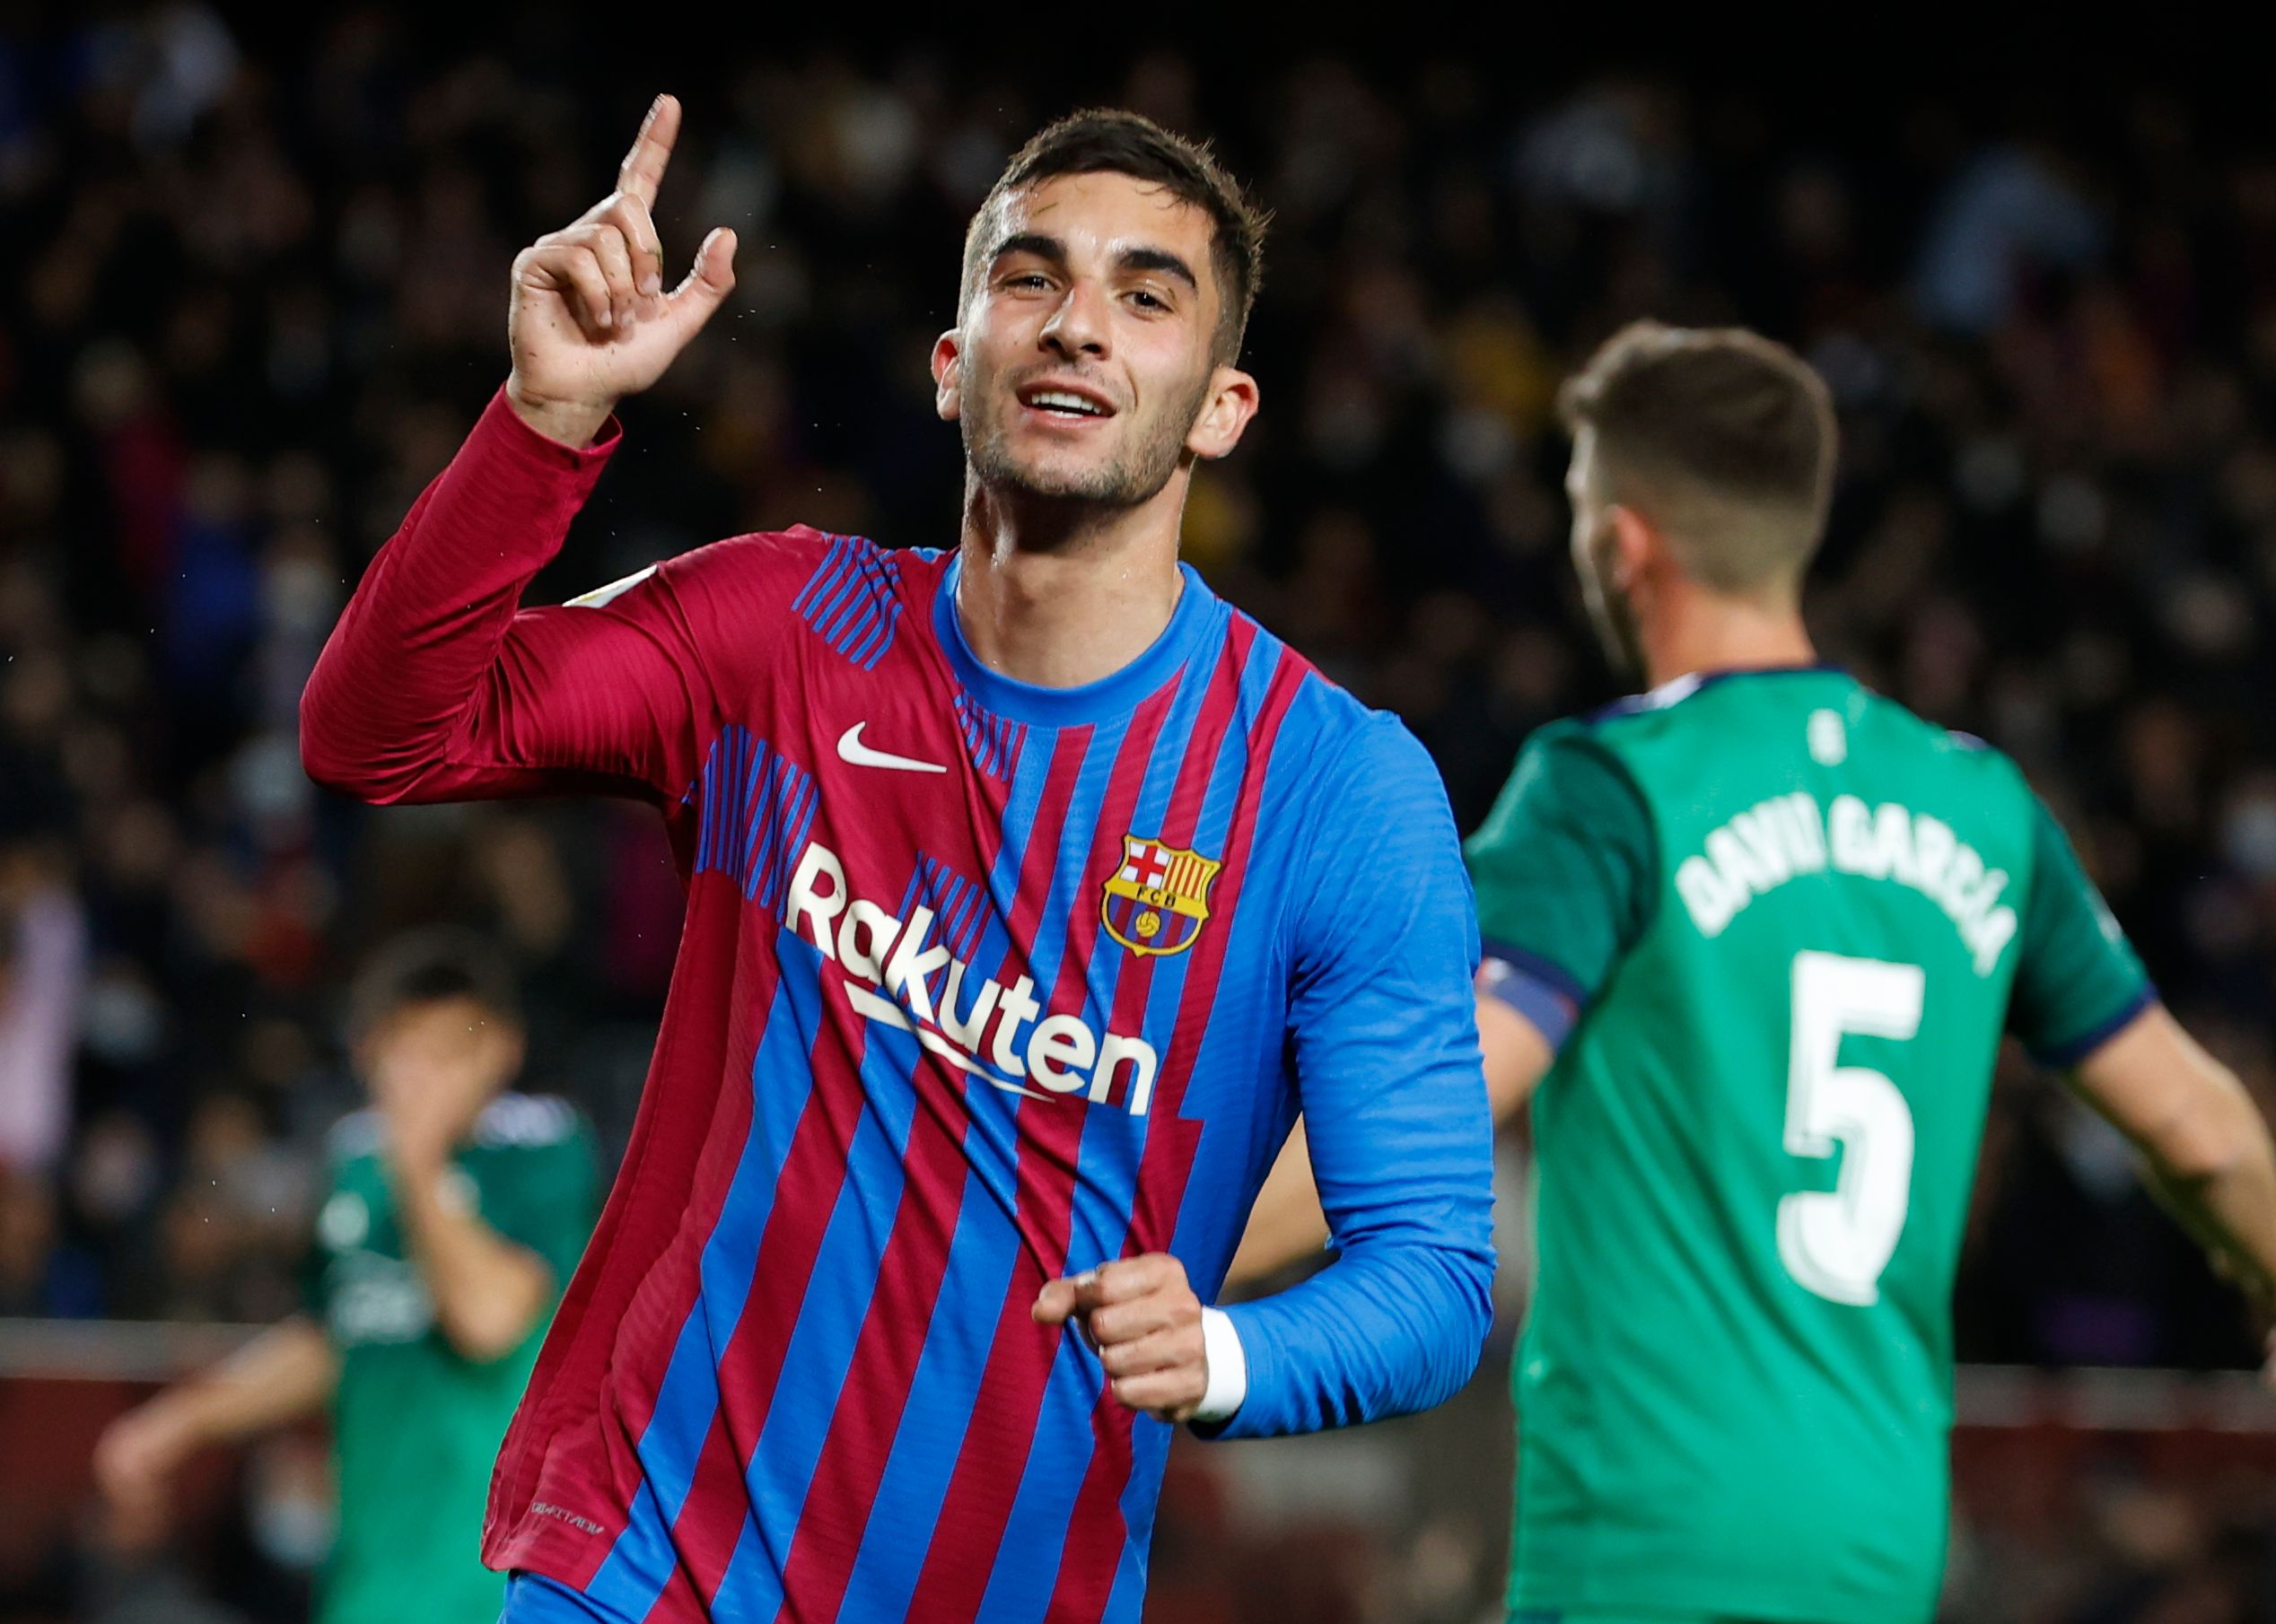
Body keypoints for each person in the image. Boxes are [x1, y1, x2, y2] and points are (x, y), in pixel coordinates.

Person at [296, 96, 1493, 1624]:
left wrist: (1232, 1354)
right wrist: (545, 427)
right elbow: (381, 733)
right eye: (1027, 278)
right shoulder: (778, 628)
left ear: (1219, 407)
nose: (1075, 326)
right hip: (639, 1564)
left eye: (1144, 297)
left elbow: (1432, 1273)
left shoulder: (1329, 790)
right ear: (951, 364)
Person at [1227, 321, 2276, 1624]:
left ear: (1622, 538)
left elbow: (1442, 1102)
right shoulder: (1979, 803)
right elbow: (2198, 1127)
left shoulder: (1613, 788)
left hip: (1643, 1543)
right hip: (1878, 1550)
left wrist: (1180, 1255)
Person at [92, 929, 599, 1624]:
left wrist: (419, 1162)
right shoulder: (356, 1164)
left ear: (501, 1050)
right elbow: (337, 1335)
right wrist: (181, 1421)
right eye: (405, 1050)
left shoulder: (542, 1149)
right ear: (368, 1052)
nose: (422, 1078)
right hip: (369, 1586)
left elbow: (490, 1322)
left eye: (448, 1052)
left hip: (496, 1589)